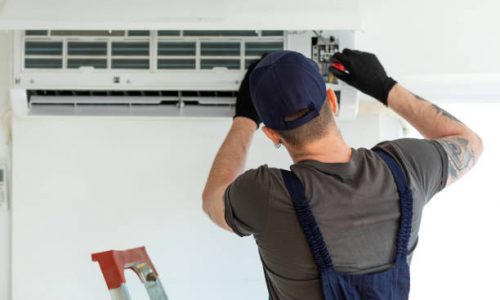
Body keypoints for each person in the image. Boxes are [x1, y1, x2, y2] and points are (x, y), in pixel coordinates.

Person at [202, 49, 483, 299]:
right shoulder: (406, 167)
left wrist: (244, 120)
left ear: (272, 134)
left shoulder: (265, 193)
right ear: (332, 102)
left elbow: (212, 201)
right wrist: (385, 88)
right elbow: (469, 142)